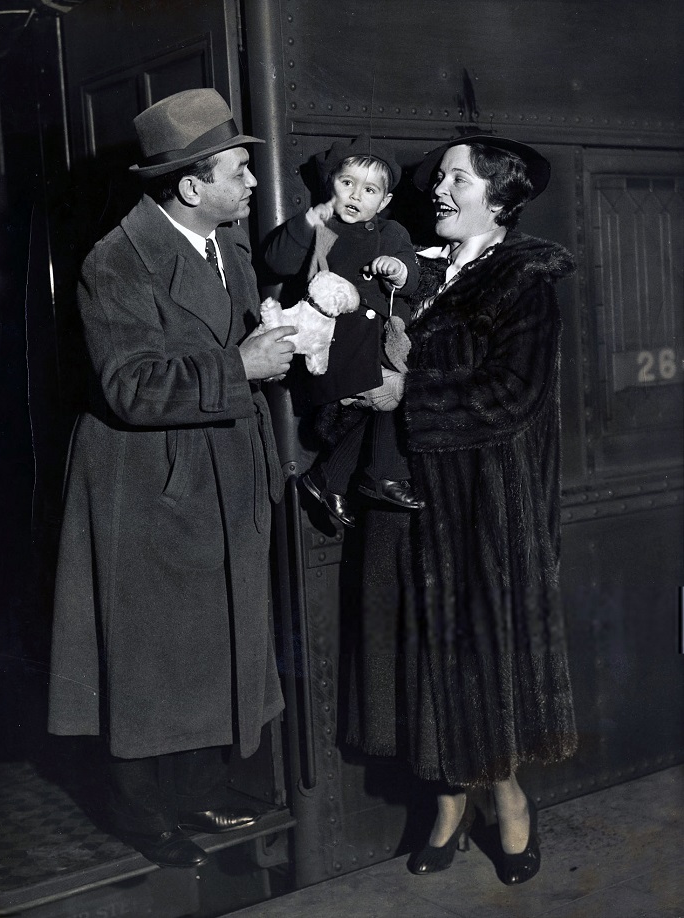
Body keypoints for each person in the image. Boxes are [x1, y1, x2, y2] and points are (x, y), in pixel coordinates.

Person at [47, 89, 296, 869]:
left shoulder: (229, 248)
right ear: (191, 186)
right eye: (239, 170)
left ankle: (202, 790)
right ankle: (141, 812)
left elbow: (237, 338)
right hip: (146, 485)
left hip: (220, 472)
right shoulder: (114, 260)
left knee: (217, 642)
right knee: (150, 656)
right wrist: (240, 365)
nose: (254, 183)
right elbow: (127, 386)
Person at [347, 135, 578, 884]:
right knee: (421, 661)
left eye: (454, 179)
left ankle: (507, 799)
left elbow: (516, 395)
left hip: (486, 507)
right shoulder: (422, 270)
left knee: (483, 664)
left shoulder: (524, 279)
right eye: (439, 178)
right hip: (409, 503)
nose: (437, 190)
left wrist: (406, 393)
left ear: (500, 196)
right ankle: (448, 798)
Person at [265, 135, 421, 528]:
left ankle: (329, 478)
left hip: (380, 346)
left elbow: (412, 274)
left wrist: (400, 270)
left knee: (389, 402)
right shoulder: (322, 229)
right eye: (346, 182)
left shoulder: (392, 232)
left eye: (369, 190)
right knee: (392, 396)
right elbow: (278, 260)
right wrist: (310, 220)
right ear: (329, 183)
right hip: (339, 347)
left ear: (383, 202)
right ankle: (382, 474)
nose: (355, 195)